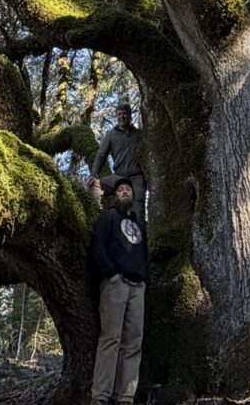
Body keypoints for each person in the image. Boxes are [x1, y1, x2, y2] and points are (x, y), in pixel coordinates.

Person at [90, 176, 148, 405]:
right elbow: (98, 246)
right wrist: (112, 275)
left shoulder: (140, 225)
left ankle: (125, 397)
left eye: (128, 189)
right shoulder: (108, 217)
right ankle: (100, 396)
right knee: (110, 340)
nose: (125, 192)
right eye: (121, 190)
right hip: (116, 283)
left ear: (133, 196)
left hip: (138, 288)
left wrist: (145, 280)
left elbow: (145, 255)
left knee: (133, 343)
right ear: (115, 196)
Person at [90, 100, 146, 217]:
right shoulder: (111, 135)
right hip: (118, 176)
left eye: (124, 113)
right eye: (119, 114)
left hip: (137, 177)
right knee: (94, 186)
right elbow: (101, 155)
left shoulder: (140, 134)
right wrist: (94, 174)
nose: (121, 116)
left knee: (137, 208)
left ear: (130, 115)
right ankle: (96, 218)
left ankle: (139, 232)